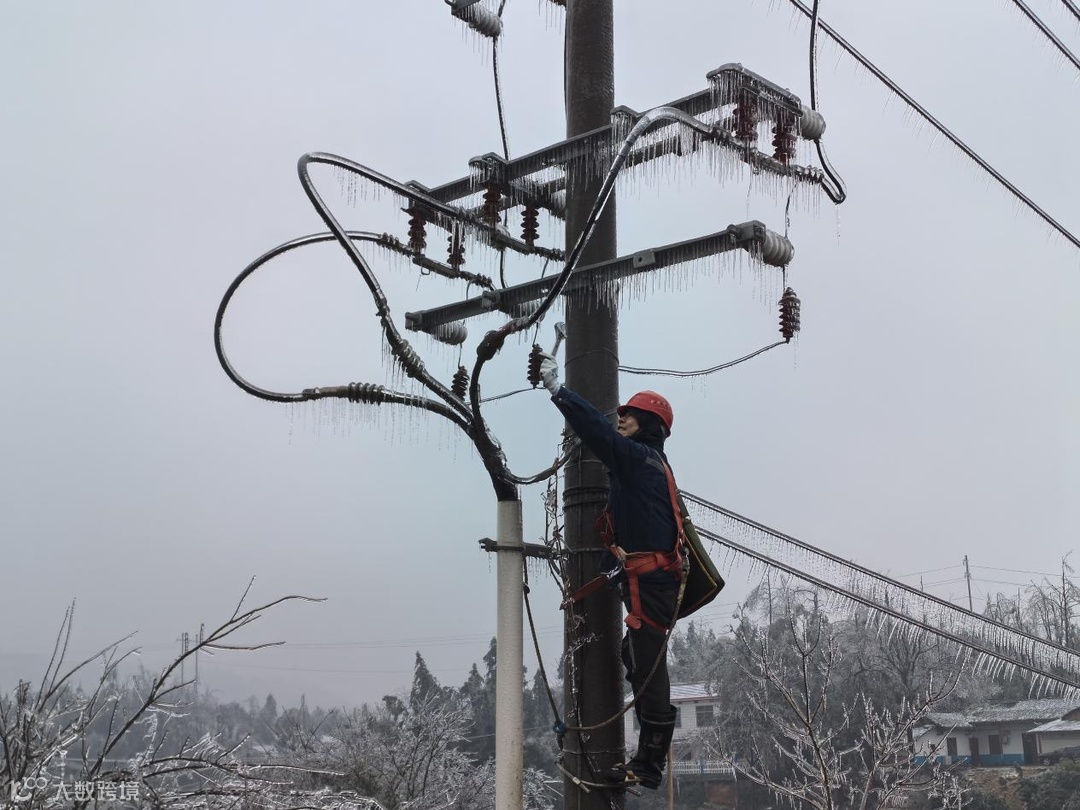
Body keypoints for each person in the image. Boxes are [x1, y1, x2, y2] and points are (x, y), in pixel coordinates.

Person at [539, 352, 681, 791]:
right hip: (648, 579)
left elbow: (598, 434)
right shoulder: (646, 468)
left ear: (649, 425)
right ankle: (647, 758)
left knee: (646, 666)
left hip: (651, 582)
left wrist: (560, 392)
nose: (621, 420)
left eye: (630, 416)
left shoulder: (639, 460)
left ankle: (650, 764)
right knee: (636, 657)